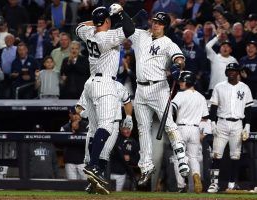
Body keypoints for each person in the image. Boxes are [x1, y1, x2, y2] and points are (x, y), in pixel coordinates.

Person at [75, 4, 135, 194]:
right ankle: (93, 165)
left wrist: (98, 20)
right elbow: (129, 29)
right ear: (107, 21)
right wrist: (120, 12)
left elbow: (78, 27)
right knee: (107, 126)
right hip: (105, 84)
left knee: (93, 129)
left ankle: (94, 171)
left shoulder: (89, 32)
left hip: (90, 84)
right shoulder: (106, 36)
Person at [127, 11, 190, 186]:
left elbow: (179, 58)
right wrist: (125, 15)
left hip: (159, 88)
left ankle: (182, 158)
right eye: (154, 21)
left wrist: (178, 66)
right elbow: (126, 28)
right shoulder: (140, 35)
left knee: (169, 124)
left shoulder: (167, 42)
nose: (155, 25)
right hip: (140, 89)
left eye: (159, 23)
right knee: (143, 129)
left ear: (164, 26)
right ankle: (146, 167)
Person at [76, 80, 133, 195]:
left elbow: (127, 102)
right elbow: (78, 106)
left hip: (113, 123)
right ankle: (93, 181)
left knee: (104, 154)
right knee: (88, 158)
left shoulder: (118, 85)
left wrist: (129, 116)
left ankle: (93, 184)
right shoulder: (90, 83)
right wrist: (83, 113)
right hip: (94, 123)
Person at [207, 63, 254, 193]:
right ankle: (213, 183)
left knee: (235, 155)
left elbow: (248, 108)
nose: (232, 72)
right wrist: (212, 123)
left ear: (238, 72)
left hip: (238, 124)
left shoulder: (244, 87)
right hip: (222, 123)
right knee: (216, 154)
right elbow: (214, 106)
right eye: (230, 70)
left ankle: (232, 183)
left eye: (234, 70)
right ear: (226, 73)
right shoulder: (219, 87)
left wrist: (247, 125)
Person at [171, 71, 209, 194]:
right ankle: (196, 174)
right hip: (195, 129)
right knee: (194, 158)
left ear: (188, 82)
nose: (180, 83)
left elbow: (172, 110)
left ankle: (181, 186)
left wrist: (168, 103)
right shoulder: (201, 97)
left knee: (179, 158)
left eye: (182, 81)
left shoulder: (180, 95)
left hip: (181, 128)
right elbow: (205, 117)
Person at [60, 107, 88, 180]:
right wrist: (72, 130)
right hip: (70, 161)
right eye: (75, 114)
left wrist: (78, 130)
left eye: (79, 114)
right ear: (70, 115)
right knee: (72, 186)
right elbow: (60, 144)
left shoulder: (87, 126)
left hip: (83, 161)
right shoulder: (65, 128)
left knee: (85, 185)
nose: (77, 116)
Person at [110, 126, 140, 191]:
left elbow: (137, 159)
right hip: (109, 172)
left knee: (117, 195)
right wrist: (122, 155)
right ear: (121, 129)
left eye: (129, 129)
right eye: (125, 129)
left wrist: (130, 158)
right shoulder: (114, 138)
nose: (127, 131)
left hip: (121, 174)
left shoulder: (133, 142)